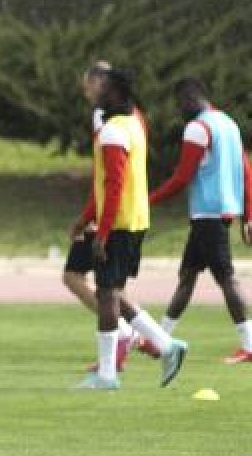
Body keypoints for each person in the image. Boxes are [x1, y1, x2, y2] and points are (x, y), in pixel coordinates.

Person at [71, 64, 187, 390]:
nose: (97, 93)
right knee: (114, 293)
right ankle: (166, 345)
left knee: (107, 294)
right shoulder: (135, 121)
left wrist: (101, 232)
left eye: (103, 88)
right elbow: (110, 183)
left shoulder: (112, 131)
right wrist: (84, 220)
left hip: (119, 223)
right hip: (136, 219)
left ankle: (107, 375)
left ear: (116, 93)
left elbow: (115, 183)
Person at [148, 77, 252, 364]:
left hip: (208, 213)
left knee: (226, 278)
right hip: (221, 212)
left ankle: (250, 344)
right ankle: (161, 340)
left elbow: (183, 176)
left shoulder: (197, 128)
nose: (178, 110)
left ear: (190, 99)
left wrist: (148, 200)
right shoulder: (229, 124)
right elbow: (246, 171)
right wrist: (248, 215)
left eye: (179, 104)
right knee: (188, 275)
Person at [65, 62, 157, 373]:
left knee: (84, 280)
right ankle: (146, 341)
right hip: (125, 214)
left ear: (103, 85)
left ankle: (126, 337)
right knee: (112, 287)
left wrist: (93, 220)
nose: (89, 91)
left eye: (91, 85)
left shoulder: (108, 121)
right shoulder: (135, 117)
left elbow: (110, 177)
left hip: (111, 216)